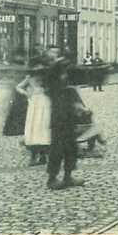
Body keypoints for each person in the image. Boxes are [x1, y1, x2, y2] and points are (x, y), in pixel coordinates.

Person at [45, 58, 86, 190]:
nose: (65, 75)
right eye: (63, 71)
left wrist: (80, 110)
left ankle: (68, 176)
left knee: (71, 149)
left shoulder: (66, 87)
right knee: (57, 150)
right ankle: (51, 179)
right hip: (59, 121)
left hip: (69, 120)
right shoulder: (54, 86)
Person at [16, 57, 51, 166]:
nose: (38, 68)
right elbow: (18, 87)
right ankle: (34, 155)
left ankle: (43, 155)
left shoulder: (46, 77)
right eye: (37, 66)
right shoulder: (30, 77)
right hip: (35, 103)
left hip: (45, 102)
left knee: (43, 126)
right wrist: (26, 94)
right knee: (34, 127)